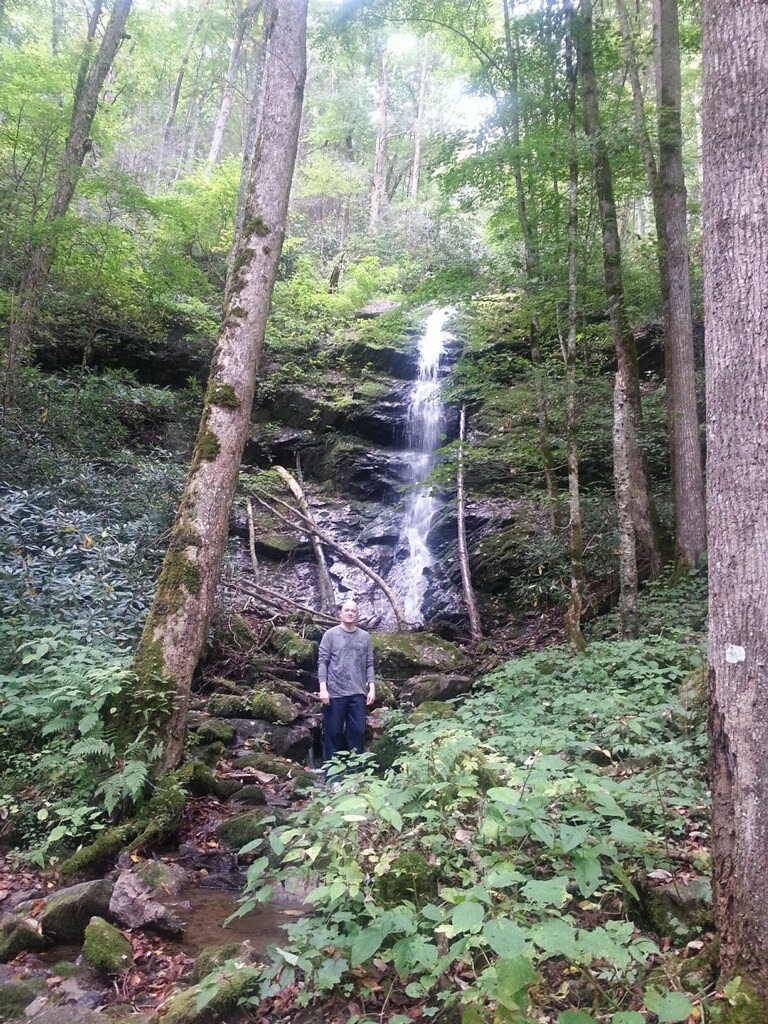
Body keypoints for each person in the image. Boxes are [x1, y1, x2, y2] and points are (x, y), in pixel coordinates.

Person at [317, 599, 375, 767]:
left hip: (357, 693)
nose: (350, 613)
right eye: (347, 610)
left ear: (357, 615)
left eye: (353, 611)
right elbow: (322, 662)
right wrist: (323, 688)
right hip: (334, 693)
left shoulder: (365, 637)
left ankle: (355, 777)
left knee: (357, 733)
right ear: (340, 614)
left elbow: (369, 664)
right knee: (333, 733)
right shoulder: (330, 635)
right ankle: (332, 778)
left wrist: (371, 688)